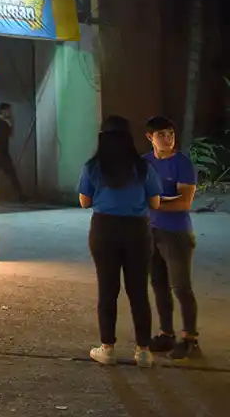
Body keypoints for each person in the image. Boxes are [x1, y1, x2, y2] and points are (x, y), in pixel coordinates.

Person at [78, 115, 162, 368]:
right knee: (138, 291)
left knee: (107, 290)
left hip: (104, 229)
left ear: (102, 137)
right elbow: (155, 202)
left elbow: (84, 201)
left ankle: (107, 349)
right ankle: (144, 351)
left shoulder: (93, 166)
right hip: (137, 230)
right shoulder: (143, 167)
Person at [143, 116, 201, 360]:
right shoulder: (144, 163)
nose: (167, 139)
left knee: (181, 287)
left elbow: (184, 202)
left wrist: (152, 204)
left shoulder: (182, 164)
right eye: (161, 135)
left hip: (176, 233)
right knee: (159, 285)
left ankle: (190, 339)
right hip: (150, 232)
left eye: (170, 134)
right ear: (150, 137)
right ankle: (166, 333)